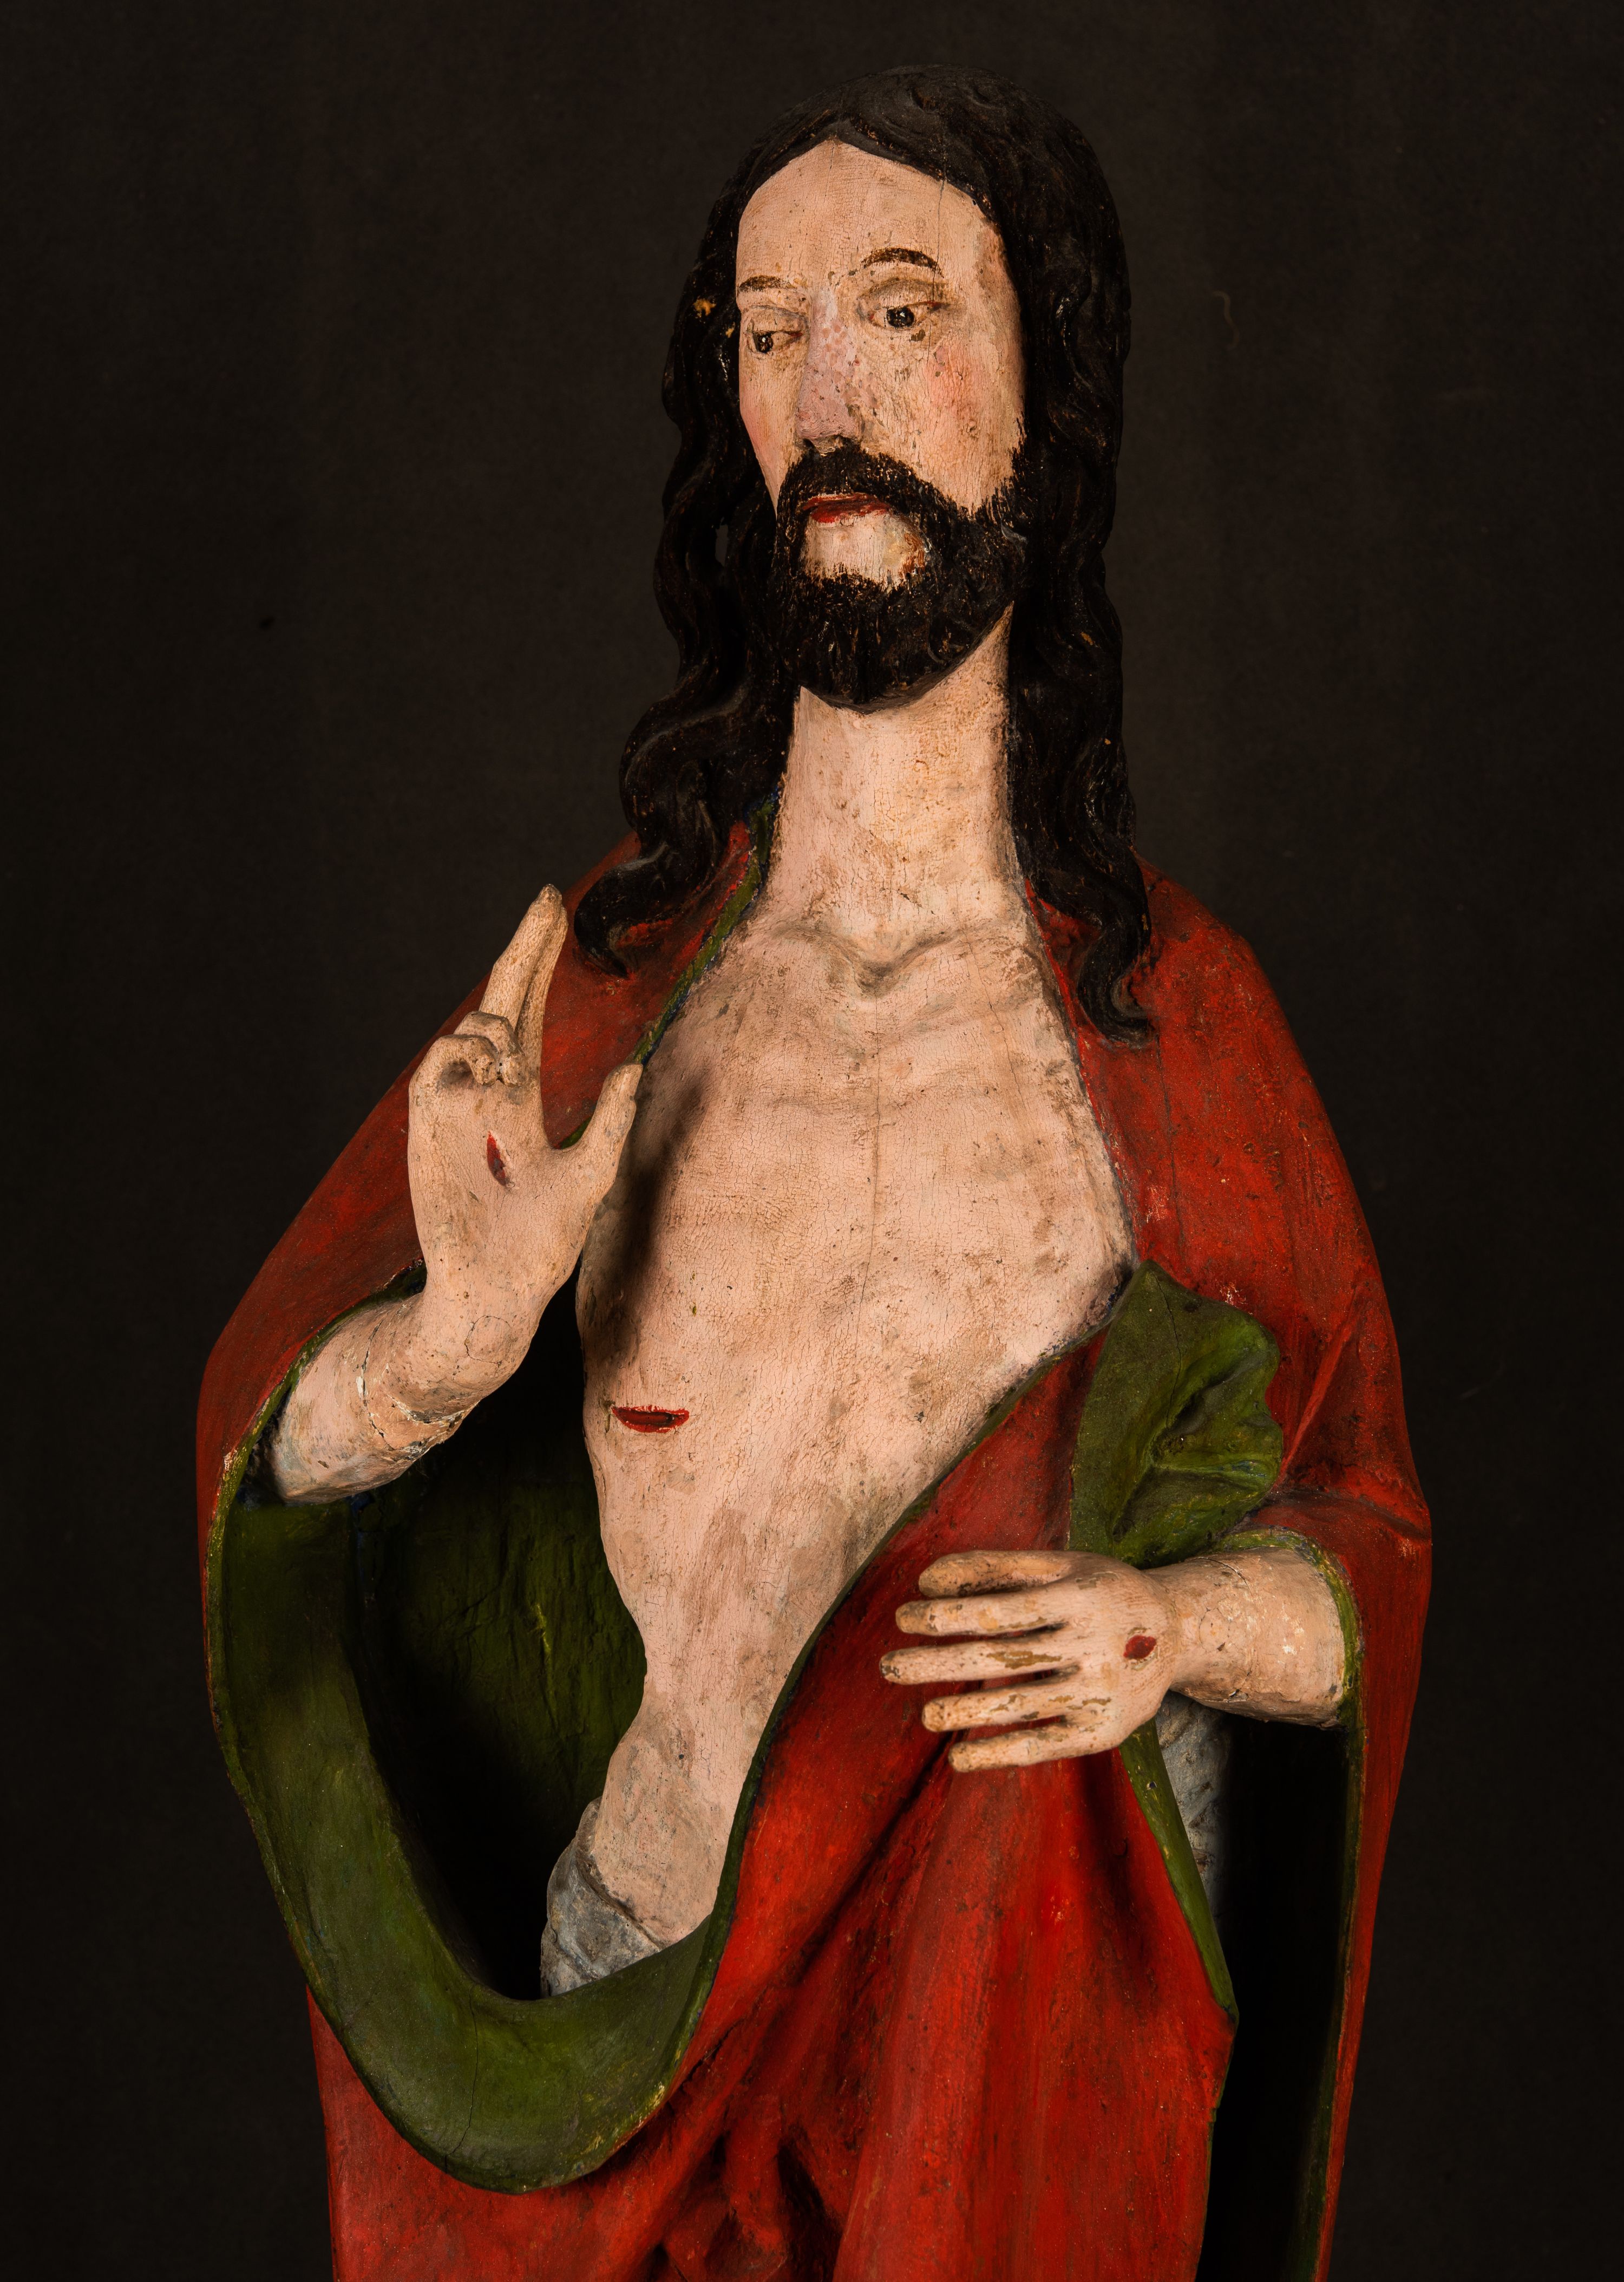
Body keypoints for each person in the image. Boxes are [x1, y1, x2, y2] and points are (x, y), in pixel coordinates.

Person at [200, 67, 1428, 2282]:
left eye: (902, 311)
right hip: (626, 2016)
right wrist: (443, 1354)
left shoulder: (1179, 1035)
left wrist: (1166, 1626)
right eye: (773, 333)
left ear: (1050, 393)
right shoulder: (613, 992)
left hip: (1018, 2071)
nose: (833, 393)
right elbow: (264, 1460)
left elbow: (1367, 1542)